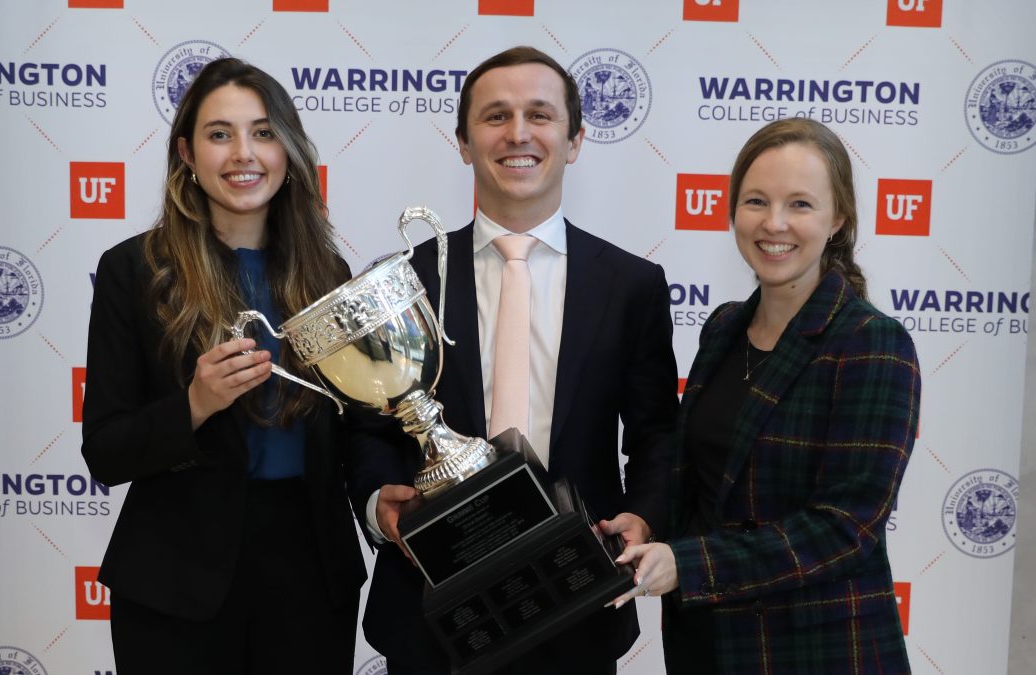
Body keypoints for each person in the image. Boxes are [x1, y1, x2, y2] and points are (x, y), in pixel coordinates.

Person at [346, 46, 680, 675]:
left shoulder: (632, 284)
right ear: (465, 143)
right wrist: (376, 503)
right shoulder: (404, 280)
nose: (518, 134)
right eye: (495, 116)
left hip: (577, 596)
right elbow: (370, 427)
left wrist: (646, 516)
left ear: (575, 139)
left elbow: (657, 434)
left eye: (540, 115)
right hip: (430, 605)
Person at [81, 58, 365, 675]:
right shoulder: (134, 271)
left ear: (289, 149)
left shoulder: (331, 277)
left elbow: (355, 430)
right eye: (219, 134)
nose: (244, 153)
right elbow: (105, 450)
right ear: (186, 151)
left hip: (311, 572)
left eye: (263, 132)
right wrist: (195, 405)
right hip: (175, 580)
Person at [610, 118, 921, 673]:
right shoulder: (724, 328)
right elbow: (702, 484)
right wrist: (650, 526)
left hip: (816, 654)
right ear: (733, 211)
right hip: (705, 645)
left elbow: (843, 528)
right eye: (756, 201)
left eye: (800, 204)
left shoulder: (873, 343)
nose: (774, 223)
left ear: (838, 219)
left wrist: (688, 563)